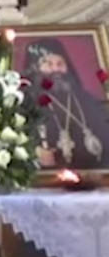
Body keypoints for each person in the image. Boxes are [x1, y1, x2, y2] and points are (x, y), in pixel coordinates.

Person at [23, 39, 109, 169]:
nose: (56, 69)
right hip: (44, 177)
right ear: (35, 68)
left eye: (60, 63)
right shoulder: (25, 101)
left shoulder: (85, 99)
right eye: (48, 64)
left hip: (91, 173)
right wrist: (33, 152)